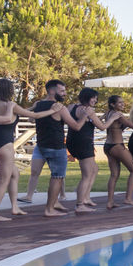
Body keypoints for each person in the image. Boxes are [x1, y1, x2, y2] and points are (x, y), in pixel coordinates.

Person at [0, 78, 62, 220]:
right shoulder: (11, 105)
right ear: (10, 90)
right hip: (5, 146)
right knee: (3, 180)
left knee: (14, 173)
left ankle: (14, 207)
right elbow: (35, 116)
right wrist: (51, 110)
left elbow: (23, 112)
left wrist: (33, 106)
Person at [26, 79, 87, 216]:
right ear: (52, 91)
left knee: (48, 175)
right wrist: (84, 117)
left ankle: (55, 203)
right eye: (62, 91)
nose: (65, 94)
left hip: (41, 145)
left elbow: (31, 119)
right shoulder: (60, 107)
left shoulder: (39, 105)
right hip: (55, 146)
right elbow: (76, 127)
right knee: (57, 177)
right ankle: (49, 209)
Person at [65, 88, 109, 212]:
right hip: (84, 143)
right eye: (93, 97)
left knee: (94, 169)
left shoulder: (72, 107)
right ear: (86, 97)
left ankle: (86, 197)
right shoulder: (88, 111)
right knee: (87, 175)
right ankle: (80, 205)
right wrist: (112, 118)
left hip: (72, 141)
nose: (95, 100)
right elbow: (102, 127)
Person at [100, 95, 133, 208]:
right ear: (113, 104)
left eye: (123, 102)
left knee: (114, 175)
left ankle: (110, 202)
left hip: (108, 146)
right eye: (120, 103)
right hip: (117, 146)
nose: (123, 104)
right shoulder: (118, 115)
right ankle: (128, 199)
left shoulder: (108, 113)